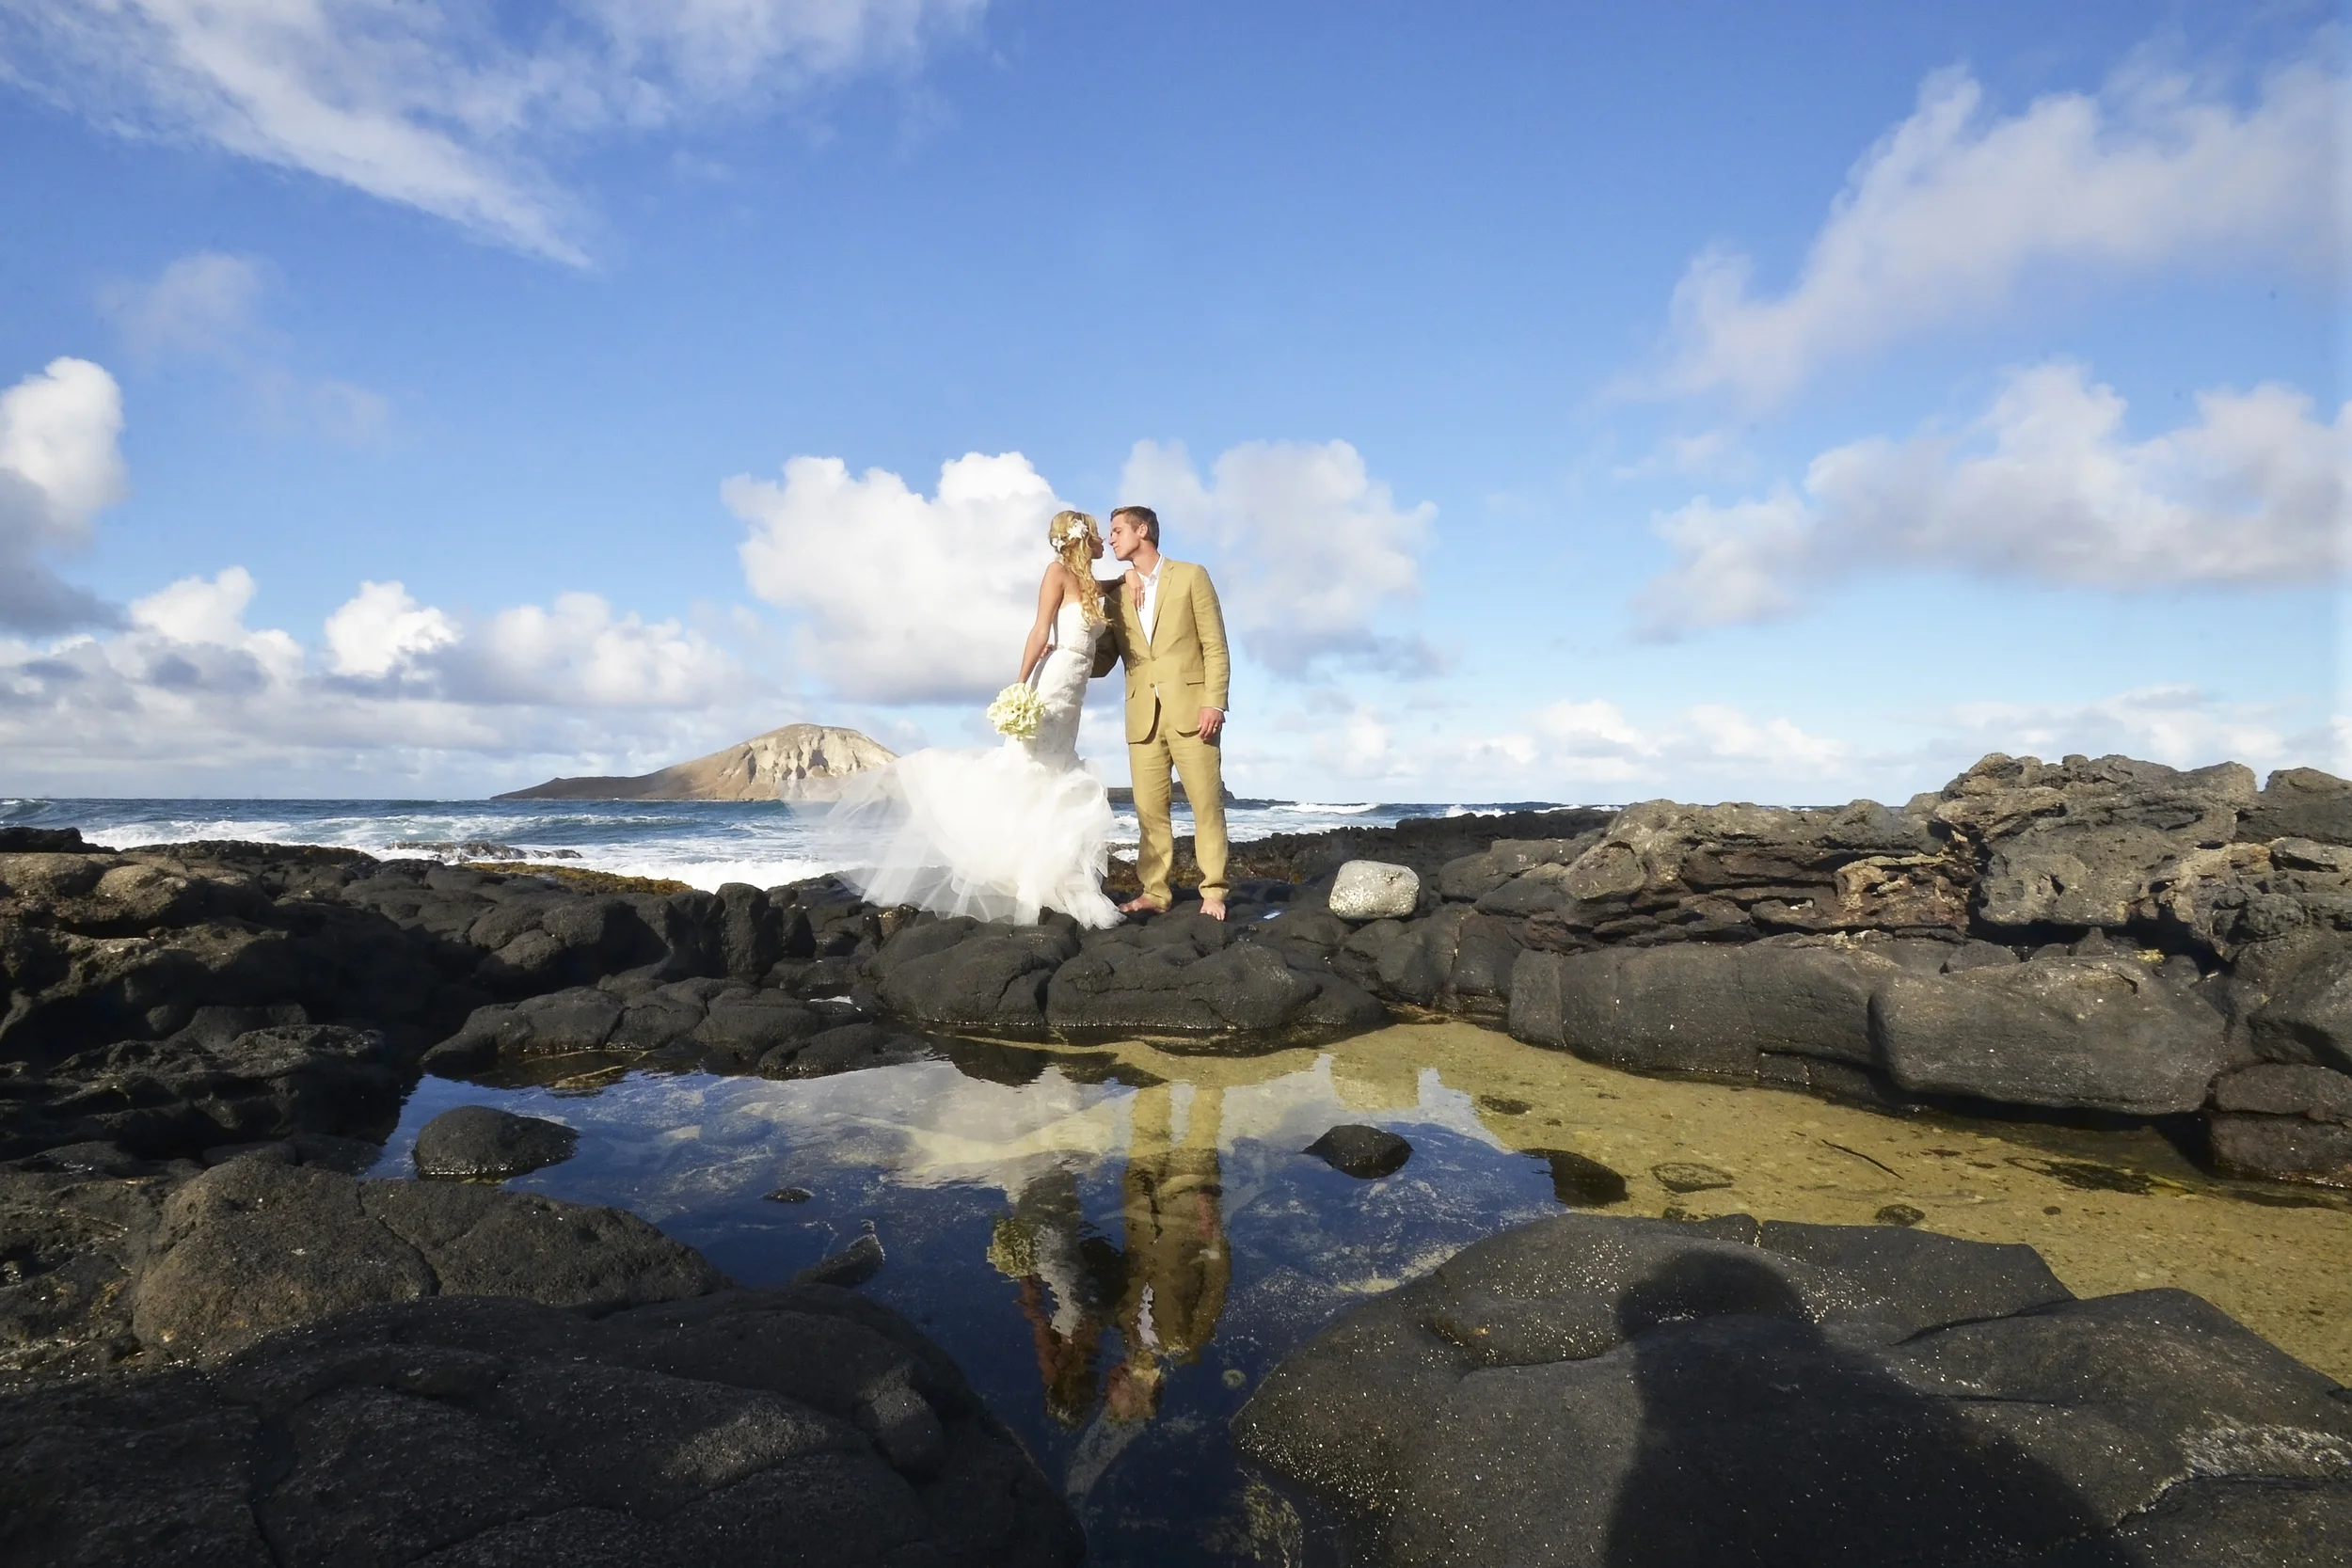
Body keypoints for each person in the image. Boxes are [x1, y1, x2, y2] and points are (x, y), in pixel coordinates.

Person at [825, 509, 1123, 928]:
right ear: (1078, 538)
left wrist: (1124, 581)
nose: (1103, 541)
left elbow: (1100, 590)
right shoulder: (1056, 572)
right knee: (1032, 767)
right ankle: (1026, 872)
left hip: (1075, 689)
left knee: (1055, 772)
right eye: (1096, 534)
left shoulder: (1092, 583)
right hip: (1052, 679)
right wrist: (1019, 686)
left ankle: (1047, 870)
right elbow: (1040, 631)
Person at [1092, 505, 1232, 920]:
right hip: (1142, 718)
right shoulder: (1118, 595)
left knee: (1206, 803)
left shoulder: (1191, 576)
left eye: (1118, 530)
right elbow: (1103, 663)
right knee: (1149, 810)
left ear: (1143, 530)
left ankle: (1214, 890)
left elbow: (1215, 646)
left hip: (1193, 710)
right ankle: (1155, 891)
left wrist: (1215, 701)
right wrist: (1081, 632)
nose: (1112, 538)